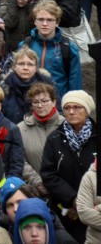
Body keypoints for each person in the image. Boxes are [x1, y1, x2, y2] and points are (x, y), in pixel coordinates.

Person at [40, 90, 97, 241]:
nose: (71, 112)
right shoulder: (54, 138)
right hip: (63, 210)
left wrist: (86, 204)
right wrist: (72, 199)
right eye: (67, 108)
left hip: (95, 209)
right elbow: (48, 174)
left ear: (87, 110)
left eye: (77, 107)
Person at [22, 0, 81, 97]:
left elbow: (75, 85)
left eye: (49, 20)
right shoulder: (25, 45)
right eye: (41, 19)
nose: (45, 24)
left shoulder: (68, 49)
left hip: (57, 105)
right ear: (35, 21)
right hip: (29, 102)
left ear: (57, 22)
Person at [0, 47, 50, 125]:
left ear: (36, 68)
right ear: (14, 67)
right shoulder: (5, 87)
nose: (25, 68)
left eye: (30, 64)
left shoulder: (47, 86)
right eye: (21, 64)